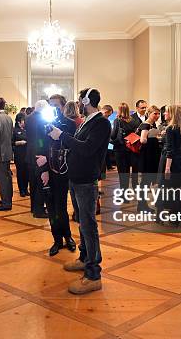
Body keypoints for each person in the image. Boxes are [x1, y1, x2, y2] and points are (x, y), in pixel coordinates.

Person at [48, 88, 111, 295]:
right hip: (76, 179)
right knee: (82, 223)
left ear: (86, 101)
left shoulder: (100, 122)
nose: (77, 103)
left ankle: (94, 275)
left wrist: (62, 136)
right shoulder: (87, 120)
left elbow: (86, 149)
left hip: (86, 180)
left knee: (89, 226)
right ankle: (85, 259)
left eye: (80, 99)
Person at [44, 94, 77, 256]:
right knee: (51, 207)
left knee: (61, 206)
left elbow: (72, 146)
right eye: (51, 106)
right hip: (46, 171)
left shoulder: (70, 124)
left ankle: (68, 236)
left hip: (62, 170)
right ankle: (57, 239)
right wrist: (42, 170)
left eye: (56, 106)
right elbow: (39, 146)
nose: (54, 109)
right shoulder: (43, 123)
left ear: (63, 107)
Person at [155, 105, 181, 225]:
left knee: (163, 188)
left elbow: (170, 150)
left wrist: (167, 167)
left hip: (169, 161)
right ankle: (176, 216)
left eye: (166, 112)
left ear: (172, 114)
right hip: (180, 162)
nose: (164, 114)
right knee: (176, 189)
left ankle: (159, 215)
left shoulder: (170, 128)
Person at [25, 100, 50, 218]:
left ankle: (33, 207)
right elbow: (41, 138)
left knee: (33, 182)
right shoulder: (41, 119)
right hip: (39, 153)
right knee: (40, 182)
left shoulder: (28, 117)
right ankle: (38, 209)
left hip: (29, 153)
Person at [110, 102, 140, 195]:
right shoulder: (134, 121)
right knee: (130, 170)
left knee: (123, 172)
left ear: (119, 110)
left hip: (120, 149)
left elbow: (113, 135)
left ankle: (124, 193)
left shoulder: (117, 121)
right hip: (131, 148)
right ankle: (134, 188)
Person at [137, 105, 161, 211]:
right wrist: (154, 138)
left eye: (158, 114)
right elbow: (143, 140)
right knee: (145, 182)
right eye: (155, 113)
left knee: (147, 181)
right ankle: (142, 205)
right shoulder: (146, 125)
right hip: (147, 157)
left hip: (151, 156)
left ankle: (142, 205)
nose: (157, 116)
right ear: (149, 113)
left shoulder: (152, 124)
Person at [13, 112, 29, 197]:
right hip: (19, 155)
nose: (25, 122)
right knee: (20, 173)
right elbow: (11, 143)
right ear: (19, 121)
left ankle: (26, 189)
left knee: (27, 172)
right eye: (23, 120)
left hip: (27, 154)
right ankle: (21, 189)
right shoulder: (14, 130)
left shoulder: (27, 129)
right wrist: (18, 143)